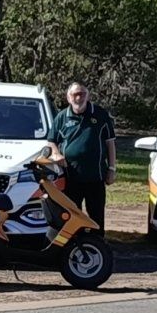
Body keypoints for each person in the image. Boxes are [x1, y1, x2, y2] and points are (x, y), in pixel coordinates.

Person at [47, 83, 116, 229]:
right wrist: (56, 153)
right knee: (71, 214)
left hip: (95, 177)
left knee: (96, 216)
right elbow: (51, 141)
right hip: (70, 176)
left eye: (82, 94)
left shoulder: (100, 115)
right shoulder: (62, 117)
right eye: (75, 94)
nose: (79, 97)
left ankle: (97, 245)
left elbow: (110, 143)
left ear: (88, 96)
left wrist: (112, 169)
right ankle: (73, 245)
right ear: (68, 97)